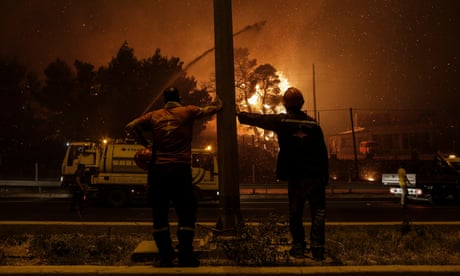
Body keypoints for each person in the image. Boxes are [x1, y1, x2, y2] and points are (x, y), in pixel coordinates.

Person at [125, 87, 222, 267]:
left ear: (164, 100)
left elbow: (130, 126)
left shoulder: (153, 115)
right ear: (179, 98)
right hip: (180, 170)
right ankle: (185, 256)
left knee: (159, 215)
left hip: (158, 172)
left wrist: (146, 143)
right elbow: (211, 109)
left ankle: (165, 257)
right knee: (186, 212)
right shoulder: (188, 111)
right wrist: (218, 102)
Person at [237, 87, 328, 261]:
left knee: (295, 213)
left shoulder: (282, 121)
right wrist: (324, 176)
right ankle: (318, 250)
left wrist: (240, 115)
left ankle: (298, 248)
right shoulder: (314, 125)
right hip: (315, 175)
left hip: (296, 175)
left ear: (285, 105)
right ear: (301, 103)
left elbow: (261, 119)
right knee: (318, 212)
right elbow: (322, 152)